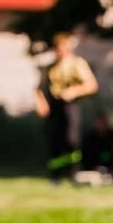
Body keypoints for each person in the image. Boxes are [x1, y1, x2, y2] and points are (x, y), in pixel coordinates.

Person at [33, 31, 98, 183]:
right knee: (54, 141)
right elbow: (38, 88)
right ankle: (55, 175)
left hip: (69, 106)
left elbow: (91, 85)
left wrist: (74, 91)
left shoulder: (77, 64)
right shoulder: (51, 67)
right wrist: (41, 103)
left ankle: (73, 172)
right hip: (54, 106)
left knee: (71, 140)